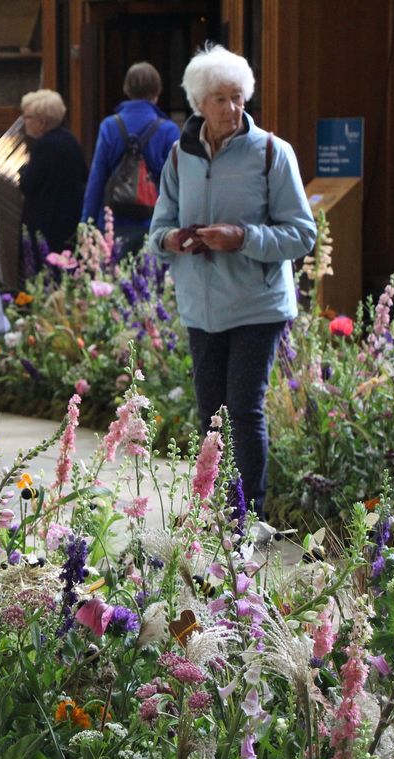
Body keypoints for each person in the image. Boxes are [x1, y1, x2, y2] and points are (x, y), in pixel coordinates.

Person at [147, 44, 316, 514]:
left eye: (239, 97)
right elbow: (156, 231)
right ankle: (215, 508)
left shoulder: (271, 154)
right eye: (220, 99)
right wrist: (174, 241)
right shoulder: (180, 159)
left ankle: (248, 513)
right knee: (210, 415)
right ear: (200, 104)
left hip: (257, 304)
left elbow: (302, 234)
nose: (232, 108)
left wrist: (241, 237)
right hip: (200, 305)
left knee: (242, 410)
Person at [81, 62, 180, 255]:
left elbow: (97, 178)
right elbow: (178, 182)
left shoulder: (109, 126)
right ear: (157, 91)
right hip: (156, 222)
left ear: (126, 89)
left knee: (114, 282)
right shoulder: (169, 130)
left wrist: (86, 223)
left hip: (114, 221)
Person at [18, 89, 87, 273]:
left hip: (47, 225)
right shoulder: (70, 140)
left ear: (42, 121)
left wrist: (23, 171)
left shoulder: (45, 145)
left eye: (28, 117)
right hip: (68, 223)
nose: (25, 121)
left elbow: (28, 183)